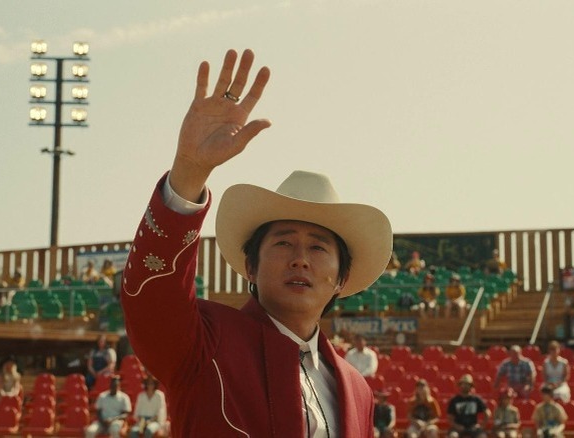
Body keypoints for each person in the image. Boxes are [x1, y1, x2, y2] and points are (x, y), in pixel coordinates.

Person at [120, 49, 392, 436]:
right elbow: (152, 297)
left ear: (341, 278)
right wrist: (190, 170)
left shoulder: (357, 388)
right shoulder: (204, 342)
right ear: (251, 265)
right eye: (283, 244)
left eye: (318, 247)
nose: (300, 259)